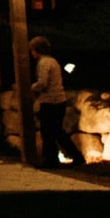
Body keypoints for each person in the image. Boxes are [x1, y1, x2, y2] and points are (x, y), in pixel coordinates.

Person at [29, 36, 73, 166]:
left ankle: (51, 159)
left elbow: (43, 82)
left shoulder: (43, 63)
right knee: (58, 131)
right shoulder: (53, 61)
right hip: (60, 100)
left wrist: (32, 87)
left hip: (50, 101)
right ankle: (75, 155)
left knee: (47, 132)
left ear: (36, 50)